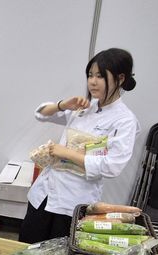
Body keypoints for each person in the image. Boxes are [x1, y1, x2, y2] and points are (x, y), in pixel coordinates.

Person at [18, 48, 140, 243]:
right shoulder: (85, 107)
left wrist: (66, 152)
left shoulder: (124, 120)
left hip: (72, 200)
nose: (92, 81)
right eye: (90, 75)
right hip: (44, 193)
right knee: (27, 245)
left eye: (100, 76)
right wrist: (62, 105)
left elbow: (112, 165)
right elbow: (40, 114)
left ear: (120, 78)